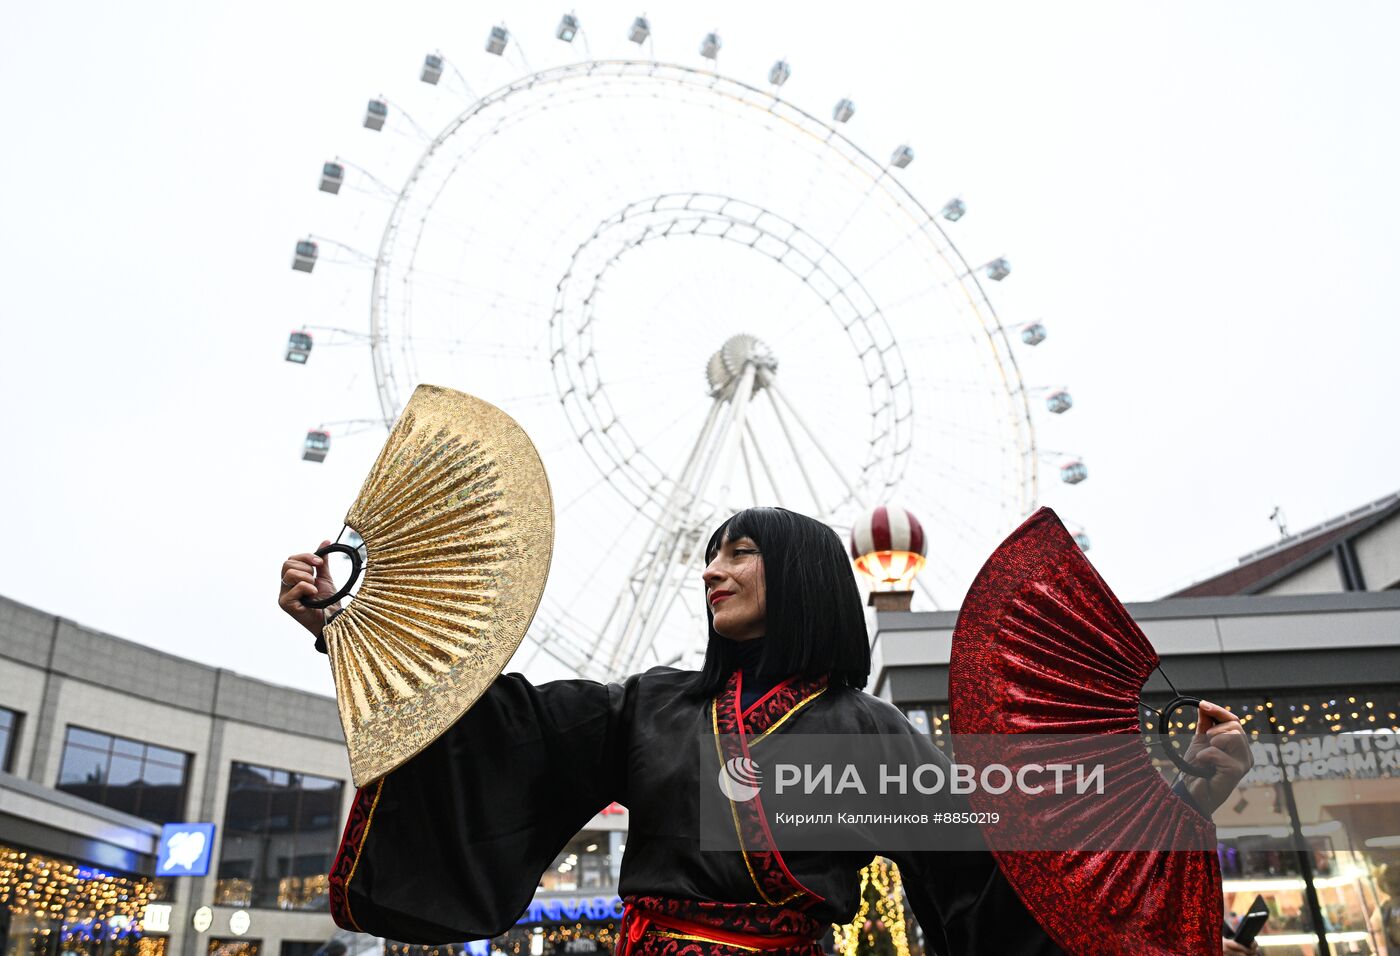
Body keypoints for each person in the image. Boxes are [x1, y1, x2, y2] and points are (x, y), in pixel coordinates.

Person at [279, 507, 1251, 956]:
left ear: (804, 574)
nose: (713, 570)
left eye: (738, 553)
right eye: (709, 555)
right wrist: (355, 623)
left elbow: (989, 867)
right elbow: (503, 727)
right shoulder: (650, 703)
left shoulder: (863, 731)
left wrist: (1176, 798)